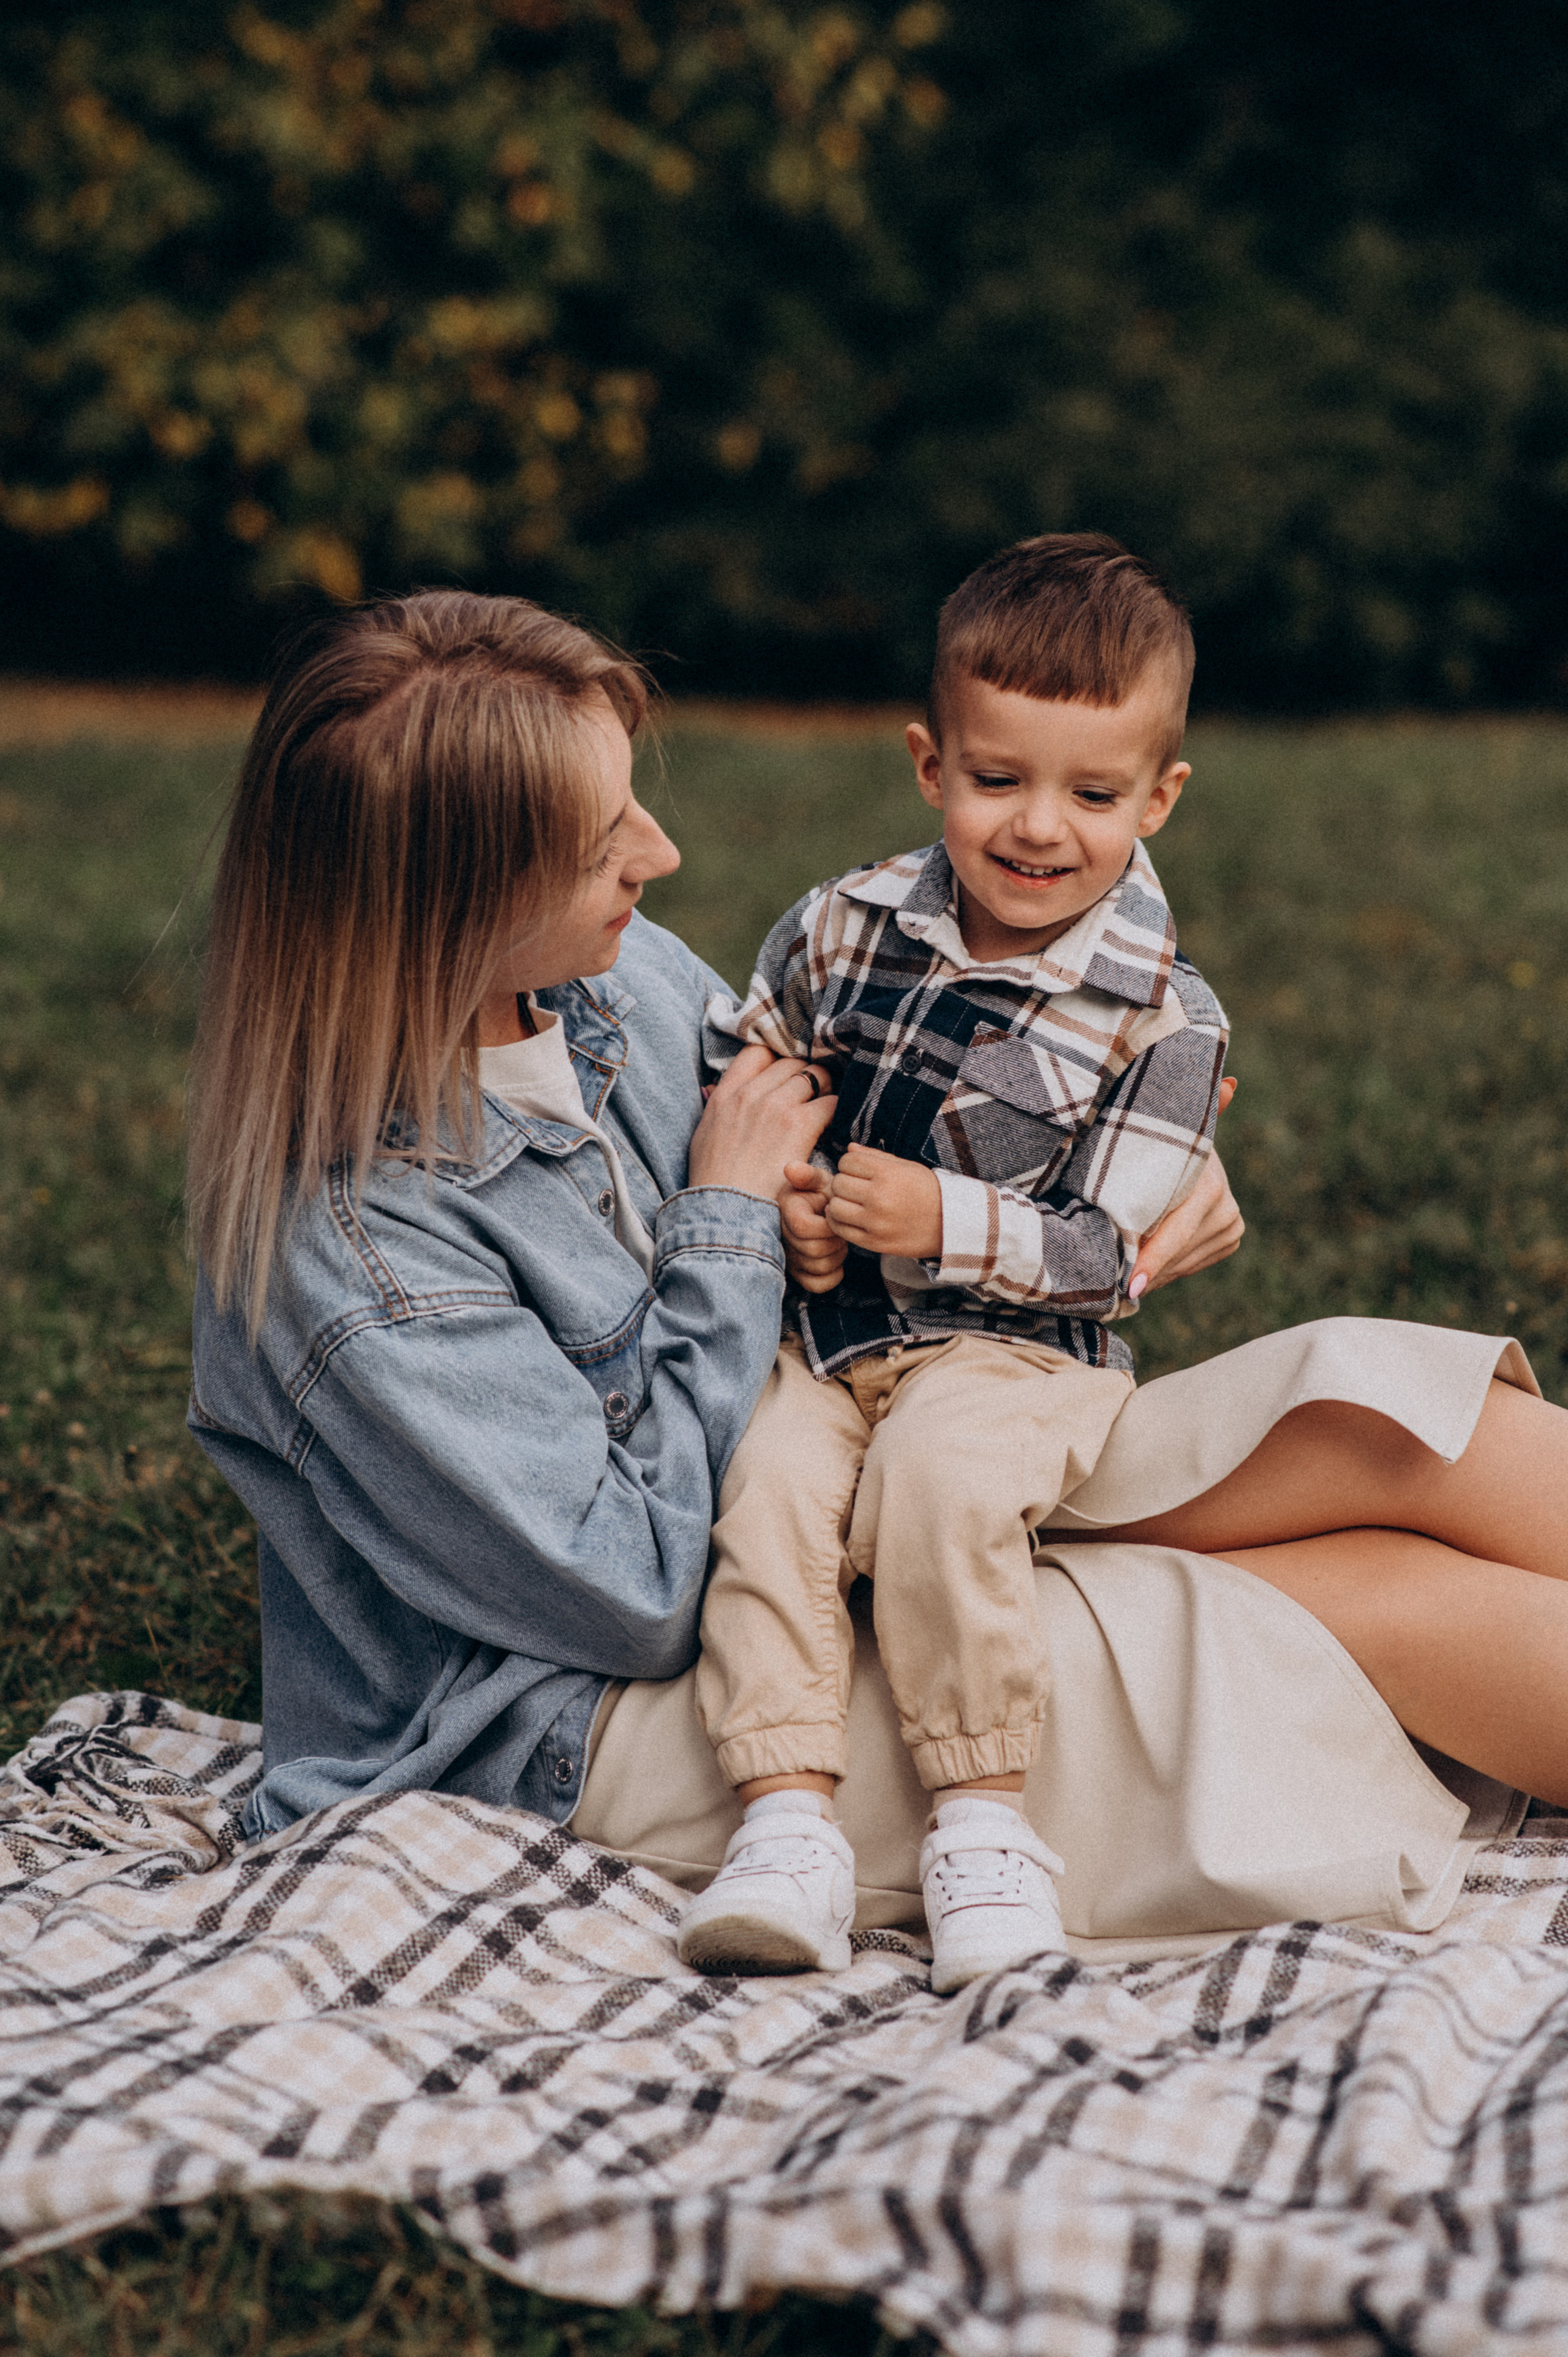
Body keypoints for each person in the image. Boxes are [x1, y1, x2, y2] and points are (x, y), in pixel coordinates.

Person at [186, 588, 1568, 1977]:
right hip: (608, 1698)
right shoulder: (355, 1252)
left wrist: (1125, 1178)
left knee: (1383, 1417)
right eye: (600, 840)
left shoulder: (612, 981)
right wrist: (726, 1215)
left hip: (872, 1415)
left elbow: (882, 1124)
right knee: (1349, 1608)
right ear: (445, 905)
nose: (657, 854)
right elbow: (637, 1593)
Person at [680, 537, 1229, 1989]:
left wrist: (941, 1224)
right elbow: (763, 1080)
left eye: (1091, 794)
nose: (1038, 827)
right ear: (931, 764)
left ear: (1156, 796)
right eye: (998, 780)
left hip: (1019, 1357)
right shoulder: (840, 924)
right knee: (770, 1486)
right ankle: (784, 1821)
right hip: (829, 1338)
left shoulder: (1164, 1021)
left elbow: (1114, 1253)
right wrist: (796, 1206)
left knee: (942, 1482)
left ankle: (979, 1824)